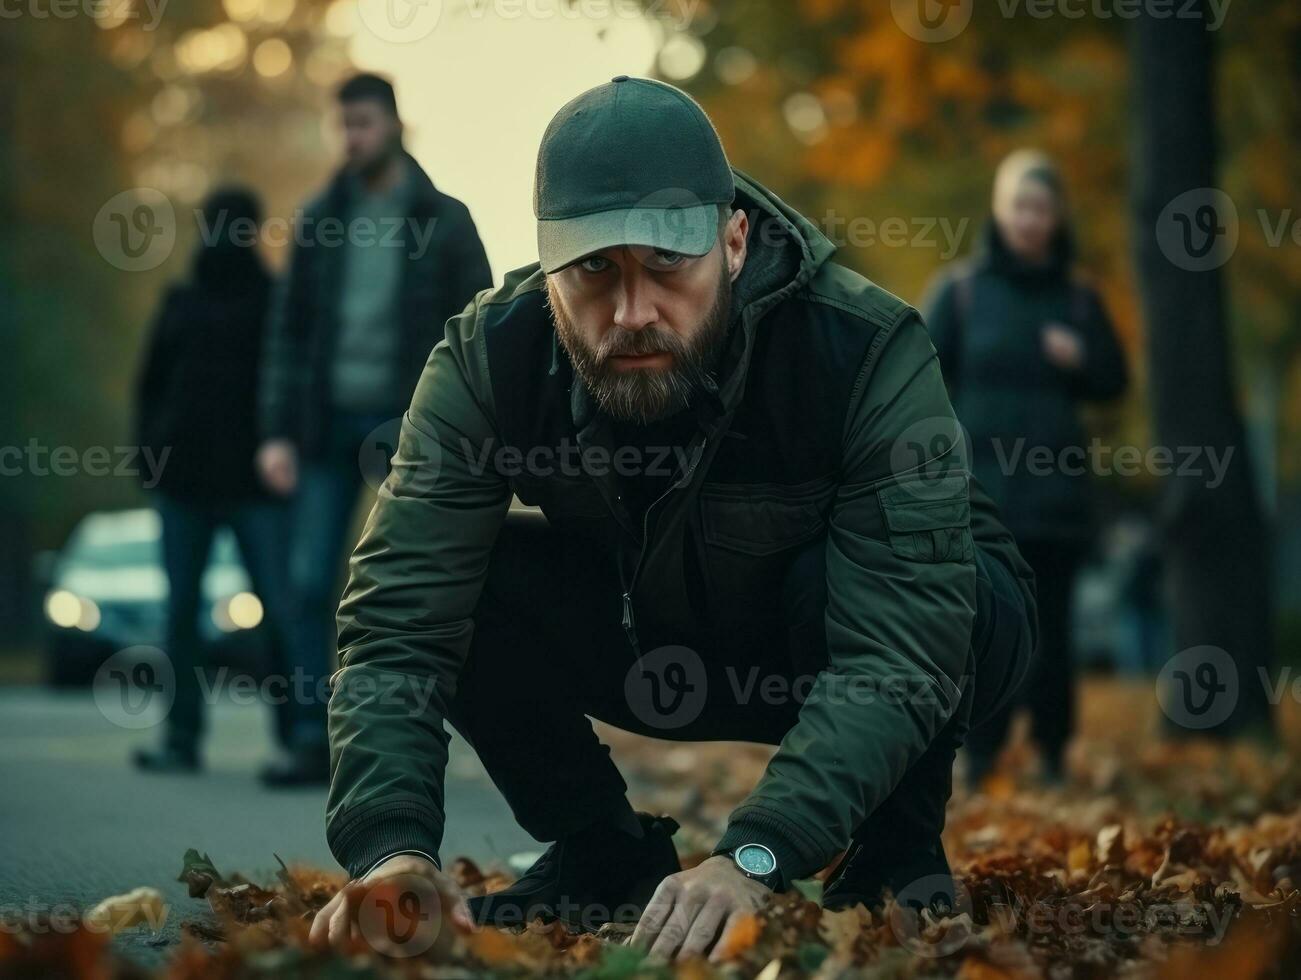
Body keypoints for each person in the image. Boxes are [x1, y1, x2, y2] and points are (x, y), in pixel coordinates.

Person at [310, 77, 1037, 962]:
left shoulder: (863, 349)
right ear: (546, 269)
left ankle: (893, 849)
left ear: (732, 243)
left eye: (666, 265)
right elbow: (395, 625)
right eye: (593, 271)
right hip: (658, 624)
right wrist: (391, 851)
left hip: (907, 633)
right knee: (477, 583)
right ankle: (598, 850)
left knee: (889, 601)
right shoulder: (484, 358)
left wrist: (753, 854)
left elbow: (903, 647)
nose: (632, 311)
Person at [256, 73, 492, 786]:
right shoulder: (318, 216)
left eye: (361, 123)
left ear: (392, 123)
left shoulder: (443, 219)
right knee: (306, 584)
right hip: (323, 425)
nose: (350, 137)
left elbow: (481, 325)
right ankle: (308, 736)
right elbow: (286, 333)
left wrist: (477, 431)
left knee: (418, 583)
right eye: (342, 125)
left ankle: (409, 740)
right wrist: (275, 433)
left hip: (410, 426)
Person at [921, 150, 1128, 785]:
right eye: (1019, 206)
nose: (1030, 220)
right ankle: (976, 756)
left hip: (1055, 501)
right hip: (979, 498)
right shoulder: (960, 293)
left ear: (1056, 215)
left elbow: (1115, 381)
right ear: (999, 210)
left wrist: (1081, 358)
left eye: (1040, 208)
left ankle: (1051, 753)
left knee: (1052, 635)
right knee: (979, 628)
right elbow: (917, 379)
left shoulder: (1078, 298)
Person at [133, 187, 294, 771]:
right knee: (180, 615)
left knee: (281, 609)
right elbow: (151, 385)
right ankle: (180, 740)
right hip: (184, 484)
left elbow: (290, 383)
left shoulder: (275, 301)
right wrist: (148, 454)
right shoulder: (180, 301)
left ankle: (300, 736)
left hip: (259, 488)